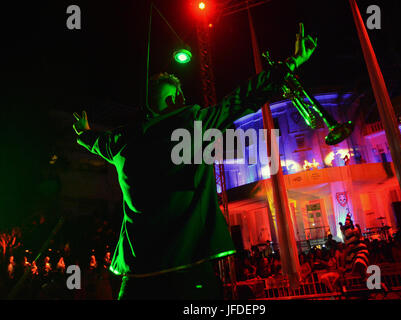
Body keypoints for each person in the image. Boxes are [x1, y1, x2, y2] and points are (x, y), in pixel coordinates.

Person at [72, 22, 317, 300]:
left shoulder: (121, 142)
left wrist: (83, 134)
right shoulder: (191, 124)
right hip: (187, 270)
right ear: (175, 99)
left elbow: (95, 142)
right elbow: (241, 99)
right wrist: (292, 62)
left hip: (137, 273)